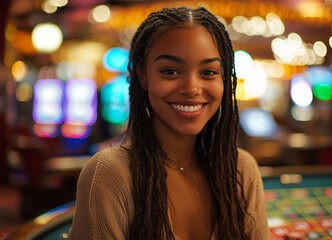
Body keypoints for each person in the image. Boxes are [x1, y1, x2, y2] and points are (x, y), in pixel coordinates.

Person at [69, 6, 269, 240]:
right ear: (143, 76)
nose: (192, 88)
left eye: (208, 72)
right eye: (171, 71)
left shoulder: (241, 170)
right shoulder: (110, 174)